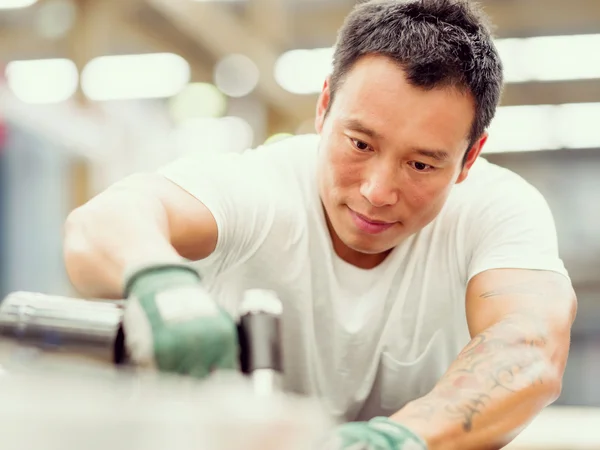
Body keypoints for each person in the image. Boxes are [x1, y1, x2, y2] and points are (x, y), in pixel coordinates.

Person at [63, 0, 577, 448]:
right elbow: (103, 221)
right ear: (324, 106)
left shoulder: (498, 209)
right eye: (360, 143)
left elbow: (527, 346)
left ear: (469, 159)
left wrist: (398, 441)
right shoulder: (261, 188)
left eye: (421, 165)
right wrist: (161, 283)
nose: (377, 191)